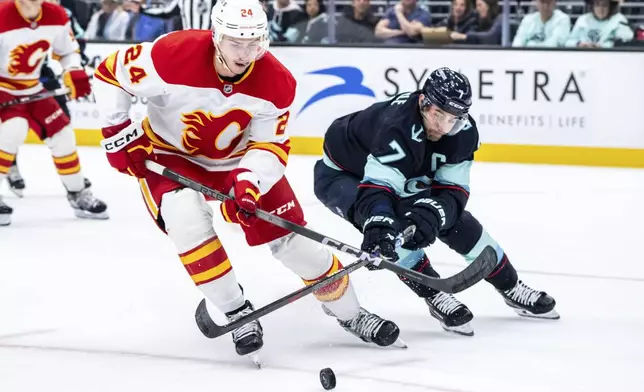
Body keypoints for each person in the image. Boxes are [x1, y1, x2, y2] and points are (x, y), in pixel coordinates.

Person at [93, 0, 401, 361]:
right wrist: (117, 130)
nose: (245, 53)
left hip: (238, 161)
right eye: (236, 43)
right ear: (216, 37)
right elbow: (111, 74)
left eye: (254, 42)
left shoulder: (277, 82)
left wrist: (249, 181)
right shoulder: (170, 54)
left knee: (295, 243)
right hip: (169, 155)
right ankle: (237, 310)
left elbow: (269, 144)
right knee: (187, 221)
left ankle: (350, 313)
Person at [313, 67, 559, 336]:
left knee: (455, 222)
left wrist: (435, 213)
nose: (443, 127)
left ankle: (511, 286)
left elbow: (453, 190)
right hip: (342, 176)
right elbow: (378, 187)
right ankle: (434, 293)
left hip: (404, 174)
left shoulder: (463, 133)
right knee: (388, 228)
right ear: (423, 102)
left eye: (453, 119)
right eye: (438, 115)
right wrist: (378, 223)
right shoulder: (397, 125)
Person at [0, 0, 108, 226]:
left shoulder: (56, 15)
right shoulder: (2, 14)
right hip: (3, 89)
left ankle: (78, 193)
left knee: (64, 136)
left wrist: (73, 70)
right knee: (12, 131)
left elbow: (68, 50)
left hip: (33, 87)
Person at [565, 0, 634, 48]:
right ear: (592, 6)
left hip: (608, 59)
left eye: (604, 5)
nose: (601, 9)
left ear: (611, 6)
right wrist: (578, 44)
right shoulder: (583, 19)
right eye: (597, 4)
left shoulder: (618, 19)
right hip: (583, 57)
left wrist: (602, 46)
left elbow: (625, 41)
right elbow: (568, 42)